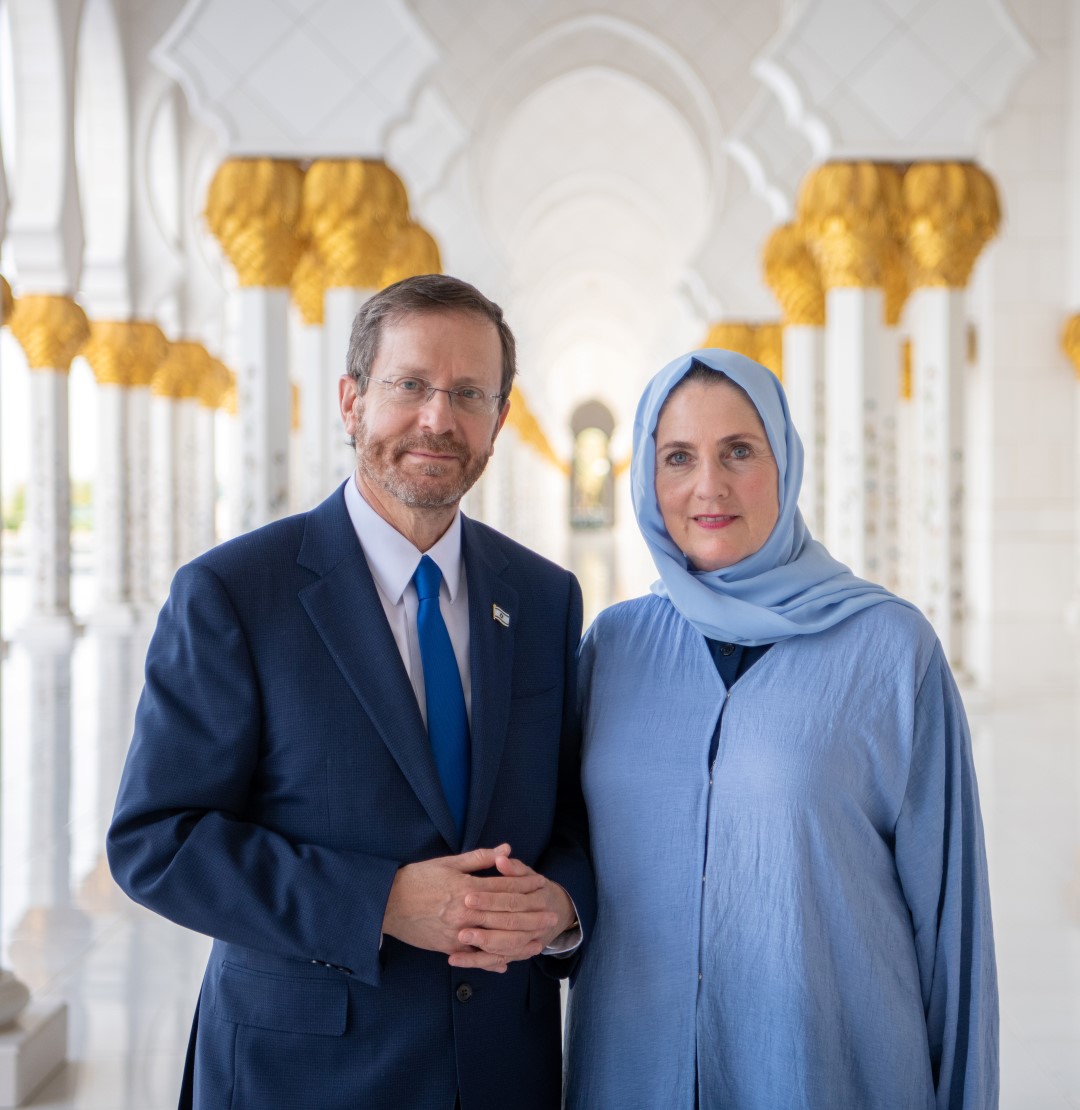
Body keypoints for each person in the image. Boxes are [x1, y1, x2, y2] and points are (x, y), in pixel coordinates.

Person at [107, 274, 594, 1110]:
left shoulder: (546, 597)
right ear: (352, 401)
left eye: (469, 393)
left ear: (499, 422)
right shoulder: (234, 592)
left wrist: (562, 908)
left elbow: (572, 823)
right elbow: (160, 841)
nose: (438, 419)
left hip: (501, 1071)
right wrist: (380, 902)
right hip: (302, 1073)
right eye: (410, 385)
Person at [564, 349, 997, 1109]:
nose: (709, 486)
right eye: (678, 457)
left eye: (739, 451)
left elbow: (952, 937)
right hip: (631, 1076)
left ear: (785, 462)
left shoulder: (891, 650)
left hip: (826, 1077)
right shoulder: (614, 648)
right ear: (646, 477)